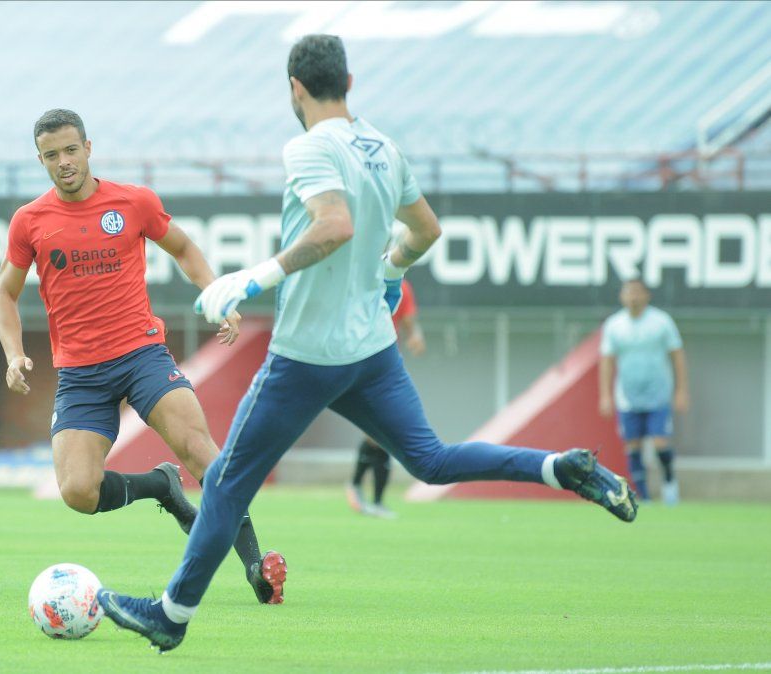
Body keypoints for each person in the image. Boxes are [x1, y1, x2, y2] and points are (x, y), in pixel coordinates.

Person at [96, 35, 637, 651]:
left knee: (224, 483)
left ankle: (171, 614)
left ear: (295, 89)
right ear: (348, 83)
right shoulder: (384, 146)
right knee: (430, 460)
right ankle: (557, 467)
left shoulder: (306, 147)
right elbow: (426, 230)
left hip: (306, 354)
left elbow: (335, 225)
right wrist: (391, 273)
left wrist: (255, 277)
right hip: (370, 352)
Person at [0, 109, 285, 604]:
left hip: (141, 355)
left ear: (88, 147)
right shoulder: (30, 221)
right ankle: (161, 488)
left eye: (70, 150)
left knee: (200, 449)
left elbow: (186, 249)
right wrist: (14, 354)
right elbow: (4, 295)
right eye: (50, 155)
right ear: (39, 159)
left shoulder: (134, 202)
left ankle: (256, 563)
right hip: (81, 375)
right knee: (78, 492)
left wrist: (218, 296)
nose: (63, 162)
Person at [599, 279, 689, 506]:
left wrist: (681, 390)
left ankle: (669, 484)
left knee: (660, 443)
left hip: (658, 395)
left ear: (647, 295)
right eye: (628, 292)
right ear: (622, 296)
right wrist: (606, 395)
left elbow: (677, 355)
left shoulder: (661, 322)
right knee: (633, 445)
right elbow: (607, 361)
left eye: (638, 292)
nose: (633, 297)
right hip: (628, 398)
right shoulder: (614, 325)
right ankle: (644, 496)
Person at [346, 279, 425, 519]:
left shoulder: (402, 287)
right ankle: (361, 488)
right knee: (382, 431)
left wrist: (415, 336)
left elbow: (409, 321)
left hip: (387, 366)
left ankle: (368, 494)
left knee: (385, 431)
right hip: (361, 361)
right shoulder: (361, 282)